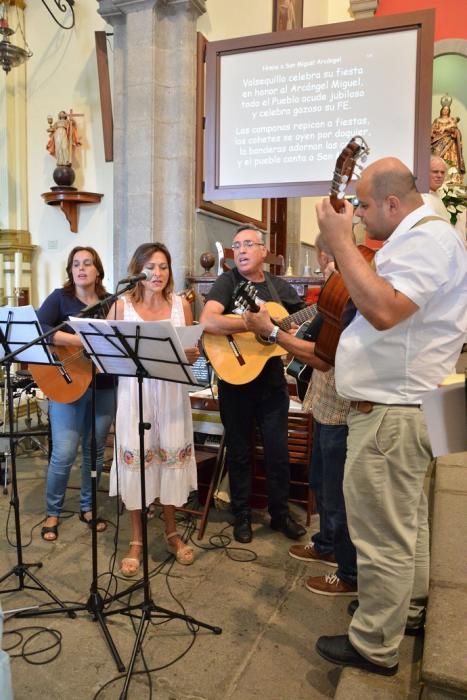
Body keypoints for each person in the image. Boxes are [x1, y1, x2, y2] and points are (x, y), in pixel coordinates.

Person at [313, 157, 467, 676]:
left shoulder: (428, 238)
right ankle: (410, 610)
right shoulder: (419, 236)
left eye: (362, 204)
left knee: (381, 538)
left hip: (391, 414)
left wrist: (338, 240)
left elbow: (383, 310)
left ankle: (375, 644)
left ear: (393, 203)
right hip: (397, 409)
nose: (356, 211)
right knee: (405, 528)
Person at [200, 224, 328, 544]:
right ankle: (241, 514)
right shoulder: (226, 282)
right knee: (240, 451)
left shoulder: (279, 288)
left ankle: (279, 514)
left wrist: (293, 330)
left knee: (277, 451)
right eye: (236, 246)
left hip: (271, 382)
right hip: (235, 380)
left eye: (247, 245)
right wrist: (250, 322)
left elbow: (302, 323)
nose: (241, 250)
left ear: (262, 251)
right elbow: (209, 321)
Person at [108, 242, 200, 576]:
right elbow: (108, 351)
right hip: (135, 395)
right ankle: (136, 540)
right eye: (151, 267)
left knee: (169, 460)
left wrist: (192, 354)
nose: (158, 274)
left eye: (163, 267)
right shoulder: (120, 306)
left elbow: (192, 352)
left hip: (172, 394)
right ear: (138, 271)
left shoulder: (180, 306)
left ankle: (172, 533)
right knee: (138, 463)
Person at [288, 234, 357, 597]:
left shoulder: (347, 289)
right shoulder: (335, 291)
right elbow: (312, 320)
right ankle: (326, 542)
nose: (322, 268)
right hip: (324, 403)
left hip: (340, 407)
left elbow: (320, 355)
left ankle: (346, 570)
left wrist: (273, 333)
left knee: (337, 493)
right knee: (321, 482)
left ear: (330, 257)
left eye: (323, 261)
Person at [38, 247, 116, 542]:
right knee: (64, 453)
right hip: (66, 382)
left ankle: (88, 507)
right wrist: (77, 338)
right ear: (71, 271)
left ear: (98, 270)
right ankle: (53, 511)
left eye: (87, 263)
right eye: (76, 264)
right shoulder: (60, 298)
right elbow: (41, 328)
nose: (81, 268)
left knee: (95, 451)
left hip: (103, 385)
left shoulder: (111, 304)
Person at [431, 98, 465, 178]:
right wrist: (436, 131)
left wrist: (450, 130)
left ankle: (450, 177)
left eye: (447, 110)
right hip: (438, 142)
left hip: (450, 143)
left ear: (449, 111)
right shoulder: (437, 120)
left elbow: (456, 130)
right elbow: (432, 130)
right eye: (444, 109)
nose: (445, 111)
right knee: (437, 158)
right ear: (441, 110)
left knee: (450, 160)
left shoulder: (451, 120)